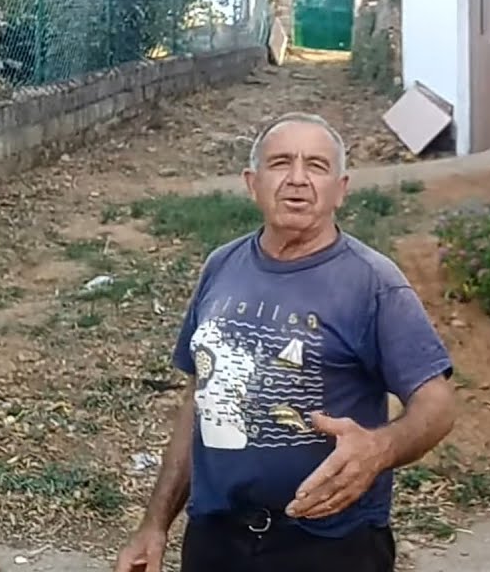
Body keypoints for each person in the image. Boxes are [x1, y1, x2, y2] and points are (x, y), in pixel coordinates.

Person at [114, 112, 457, 572]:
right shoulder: (221, 267)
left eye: (316, 166)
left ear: (341, 189)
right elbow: (200, 399)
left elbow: (438, 403)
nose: (297, 179)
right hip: (217, 540)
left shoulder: (373, 283)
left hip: (332, 547)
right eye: (280, 163)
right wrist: (154, 525)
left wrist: (381, 449)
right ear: (252, 183)